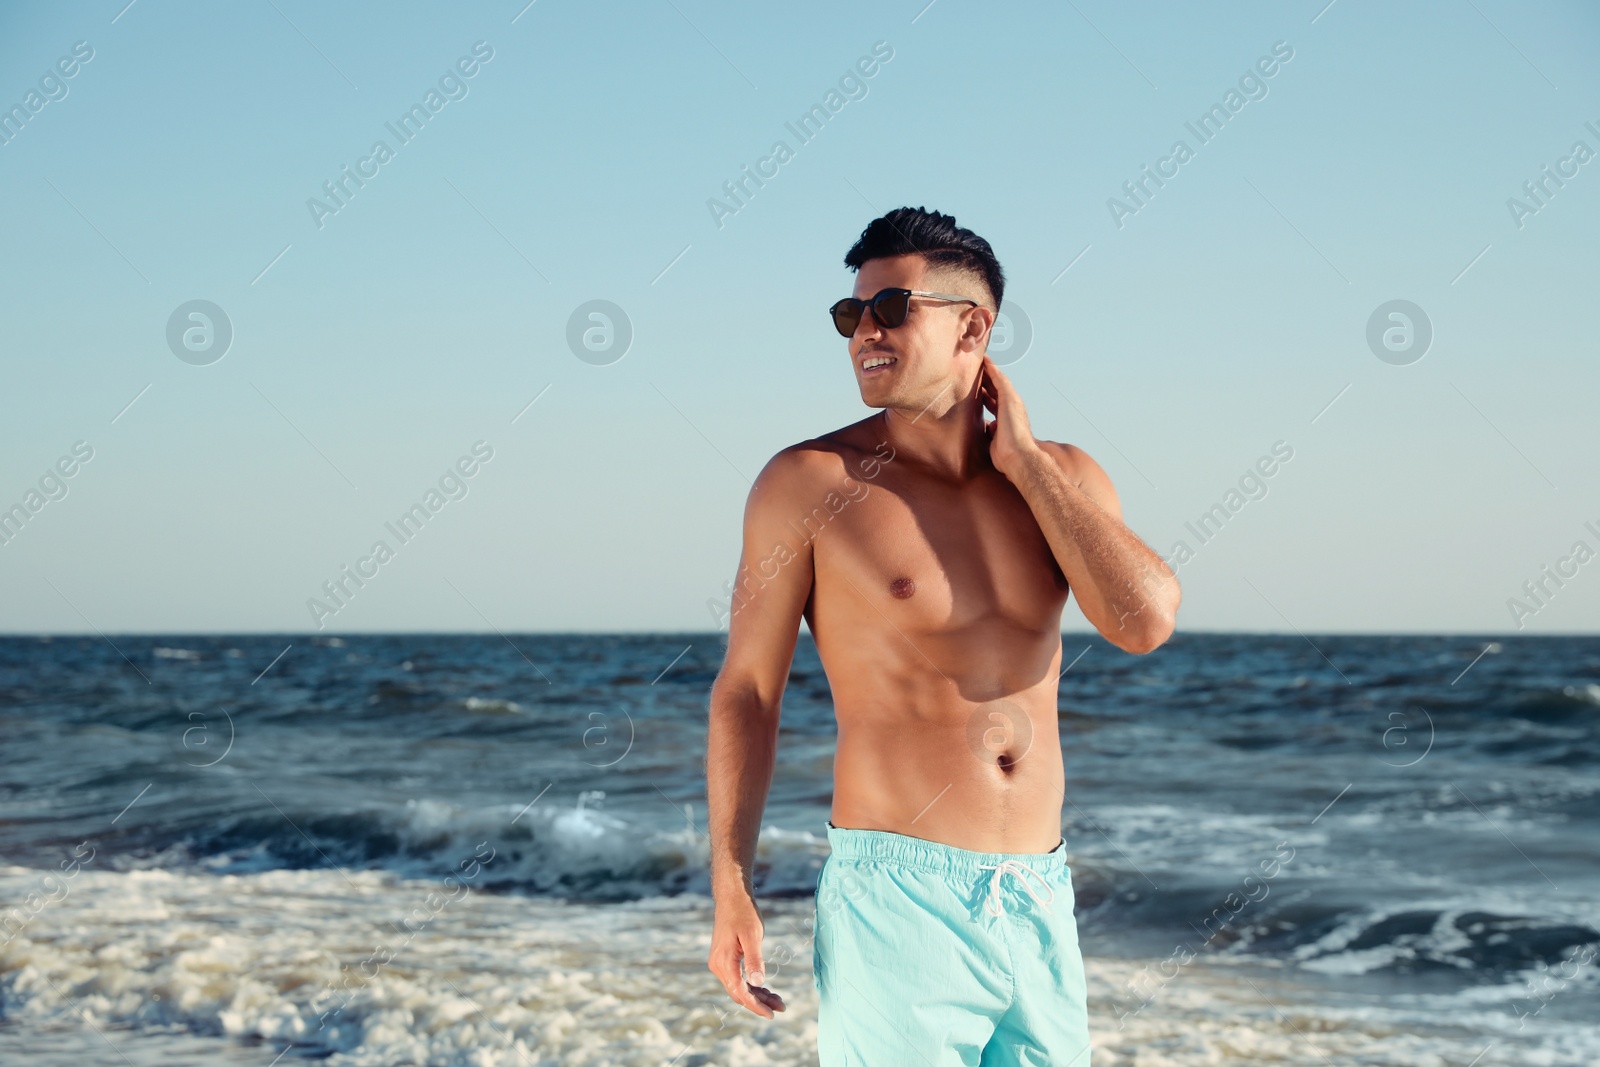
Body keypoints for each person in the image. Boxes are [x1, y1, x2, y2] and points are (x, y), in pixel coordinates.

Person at [705, 206, 1180, 1064]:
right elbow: (748, 690)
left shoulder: (1061, 477)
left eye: (891, 308)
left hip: (1038, 893)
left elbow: (1144, 621)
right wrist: (730, 886)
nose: (864, 334)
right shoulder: (810, 483)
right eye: (852, 315)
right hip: (897, 897)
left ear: (975, 327)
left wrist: (1028, 463)